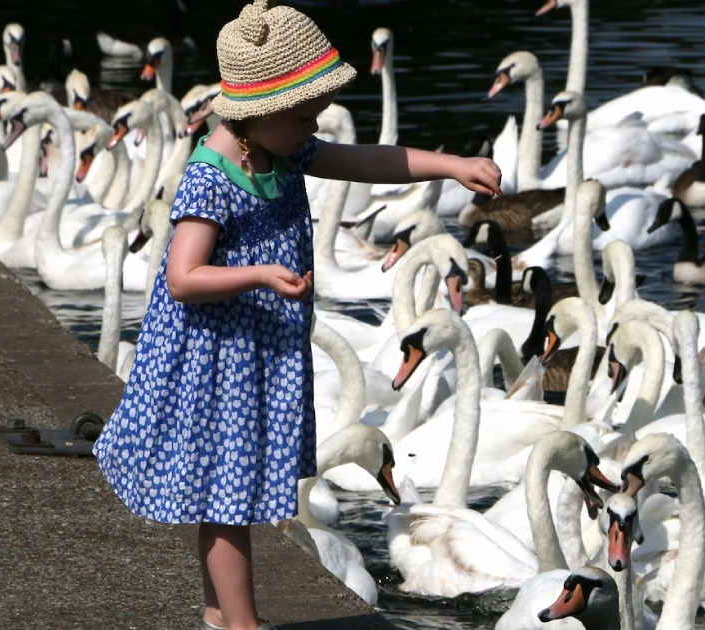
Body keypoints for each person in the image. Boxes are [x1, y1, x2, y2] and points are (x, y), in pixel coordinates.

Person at [91, 2, 501, 629]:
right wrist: (257, 273)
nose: (314, 129)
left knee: (226, 495)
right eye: (305, 115)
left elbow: (370, 161)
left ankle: (217, 615)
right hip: (214, 362)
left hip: (254, 354)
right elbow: (182, 277)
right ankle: (245, 623)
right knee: (226, 503)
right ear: (259, 111)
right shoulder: (212, 177)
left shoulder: (280, 150)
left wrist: (452, 165)